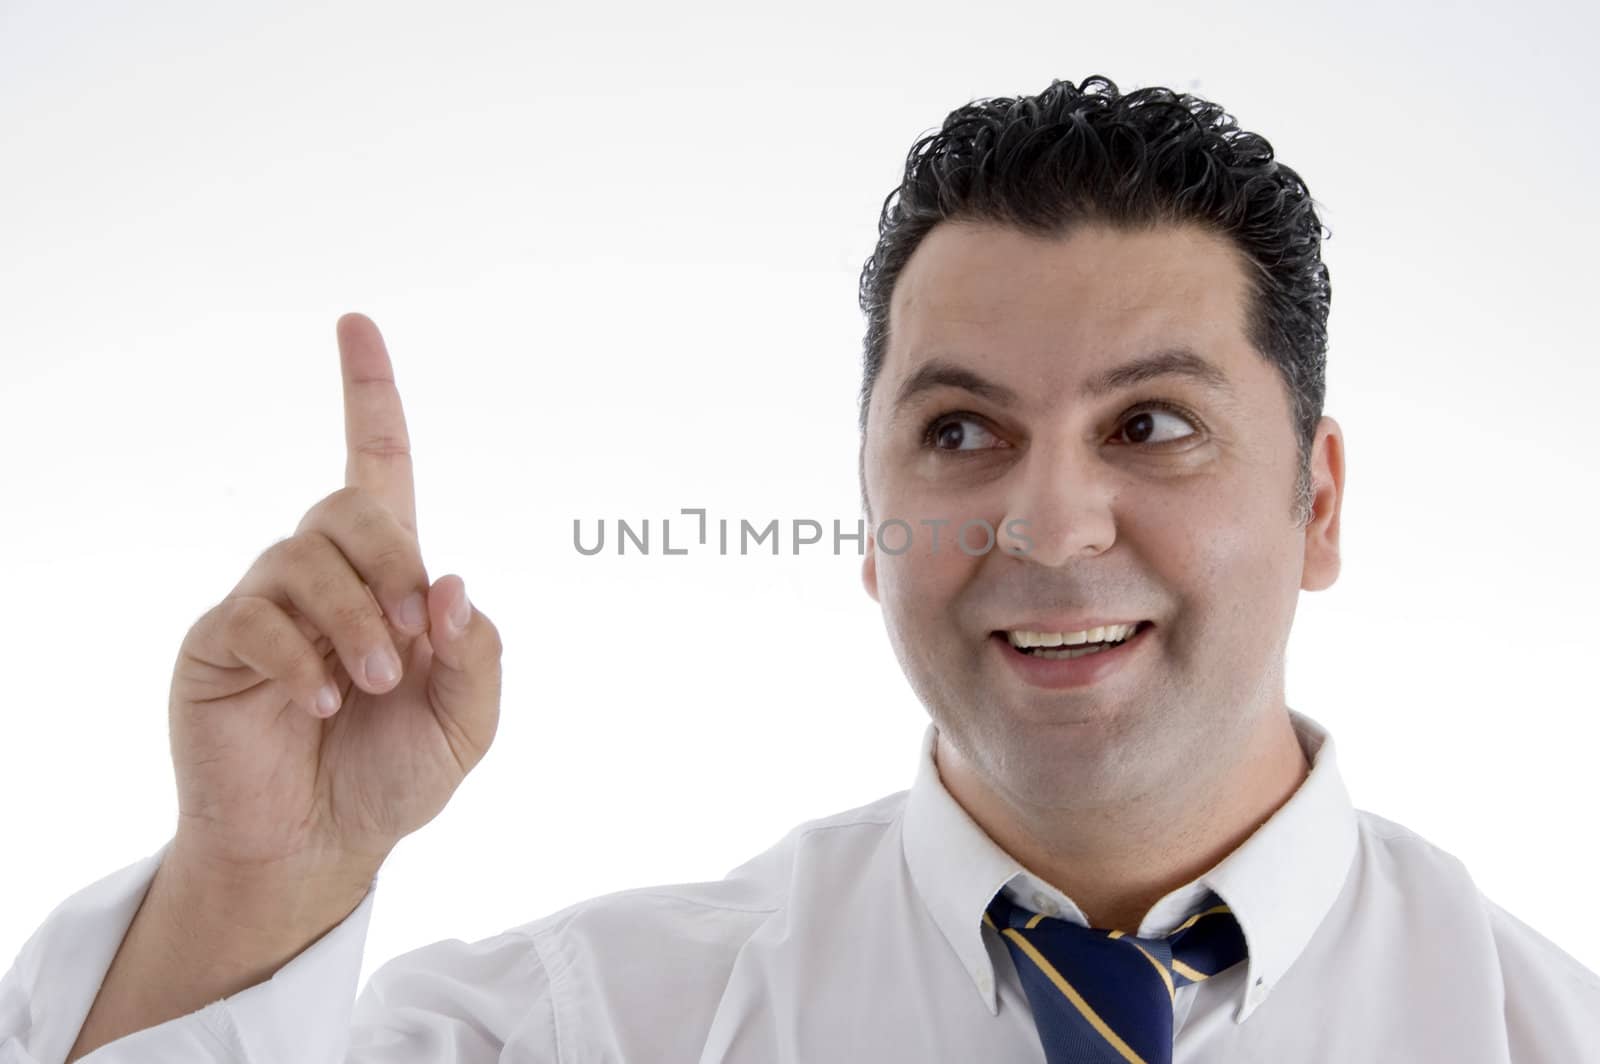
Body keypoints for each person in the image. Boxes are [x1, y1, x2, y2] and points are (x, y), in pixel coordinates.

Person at [4, 73, 1596, 1064]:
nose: (1049, 526)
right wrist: (256, 873)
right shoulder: (588, 1031)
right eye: (962, 434)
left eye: (1154, 424)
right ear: (868, 514)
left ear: (1320, 506)